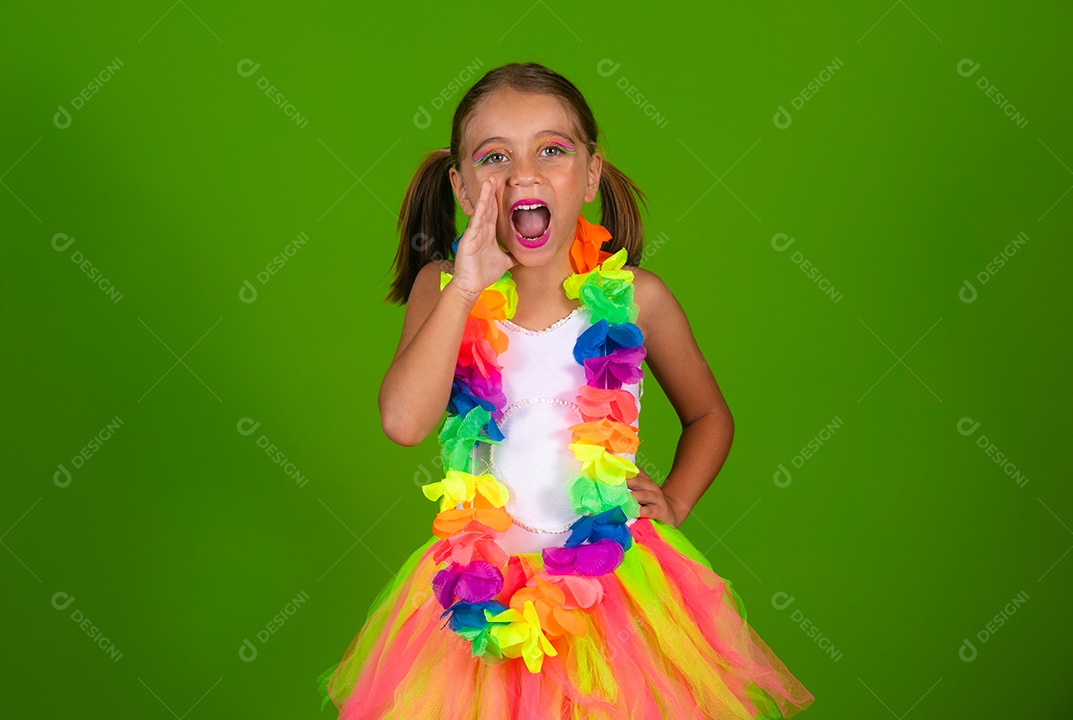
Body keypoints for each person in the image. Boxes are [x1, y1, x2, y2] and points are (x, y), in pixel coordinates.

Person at [317, 61, 815, 719]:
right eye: (496, 157)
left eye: (552, 149)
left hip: (612, 597)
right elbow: (405, 423)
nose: (524, 173)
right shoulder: (445, 292)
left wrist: (676, 501)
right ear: (464, 190)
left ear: (590, 175)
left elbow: (708, 416)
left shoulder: (637, 299)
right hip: (482, 597)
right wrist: (465, 286)